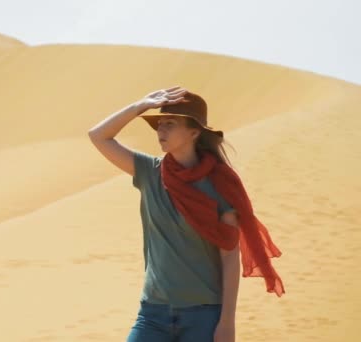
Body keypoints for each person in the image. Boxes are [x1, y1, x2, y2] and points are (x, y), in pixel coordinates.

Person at [87, 86, 284, 342]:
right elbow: (98, 136)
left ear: (194, 132)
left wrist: (227, 323)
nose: (161, 130)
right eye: (158, 124)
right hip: (152, 314)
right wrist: (140, 106)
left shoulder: (220, 186)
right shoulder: (149, 172)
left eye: (170, 123)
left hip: (203, 317)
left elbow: (229, 258)